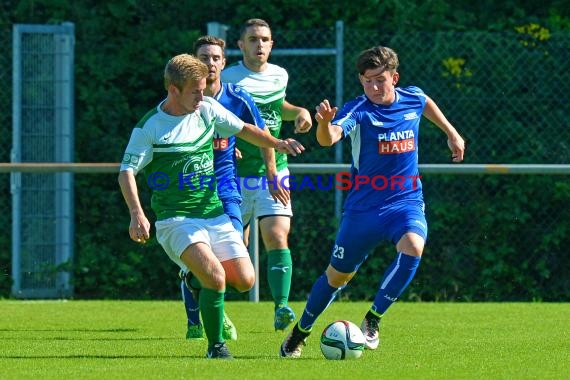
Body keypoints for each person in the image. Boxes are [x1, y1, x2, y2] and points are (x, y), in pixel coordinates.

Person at [279, 46, 466, 358]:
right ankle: (300, 331)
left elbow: (425, 103)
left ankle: (373, 318)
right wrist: (324, 123)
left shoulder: (412, 97)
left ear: (395, 77)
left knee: (413, 247)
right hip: (363, 209)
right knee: (336, 277)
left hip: (406, 201)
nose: (375, 88)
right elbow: (330, 138)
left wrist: (452, 133)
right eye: (368, 81)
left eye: (381, 80)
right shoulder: (359, 109)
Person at [118, 53, 304, 359]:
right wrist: (137, 214)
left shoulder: (206, 108)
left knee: (245, 281)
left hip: (214, 213)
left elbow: (244, 129)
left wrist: (278, 144)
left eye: (204, 88)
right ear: (173, 90)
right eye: (195, 90)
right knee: (216, 278)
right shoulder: (150, 127)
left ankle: (192, 278)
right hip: (176, 219)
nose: (202, 95)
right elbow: (126, 171)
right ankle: (216, 346)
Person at [221, 18, 313, 332]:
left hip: (274, 173)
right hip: (233, 176)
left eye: (265, 39)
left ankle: (282, 307)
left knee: (276, 235)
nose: (260, 45)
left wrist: (299, 112)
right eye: (253, 39)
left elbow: (278, 108)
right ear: (240, 45)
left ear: (271, 44)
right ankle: (213, 311)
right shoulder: (228, 77)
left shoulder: (279, 75)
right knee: (233, 258)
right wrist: (223, 145)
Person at [179, 35, 266, 342]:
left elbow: (259, 132)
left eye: (216, 58)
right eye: (204, 57)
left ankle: (192, 281)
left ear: (224, 63)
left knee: (237, 270)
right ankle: (198, 322)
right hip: (192, 190)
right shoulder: (184, 100)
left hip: (227, 188)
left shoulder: (237, 97)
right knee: (211, 266)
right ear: (193, 62)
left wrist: (271, 169)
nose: (210, 63)